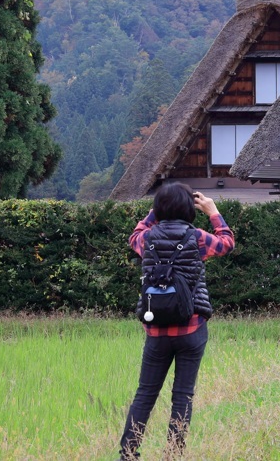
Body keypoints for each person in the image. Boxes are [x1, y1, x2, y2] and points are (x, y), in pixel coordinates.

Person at [119, 182, 235, 460]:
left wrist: (154, 212)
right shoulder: (197, 237)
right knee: (182, 396)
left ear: (158, 210)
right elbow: (227, 243)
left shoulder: (147, 238)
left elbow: (134, 234)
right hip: (192, 328)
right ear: (189, 209)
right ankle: (173, 454)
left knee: (145, 395)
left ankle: (128, 455)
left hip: (156, 331)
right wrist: (213, 210)